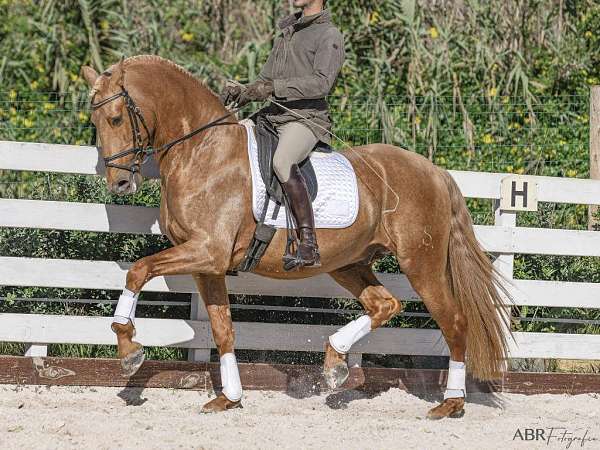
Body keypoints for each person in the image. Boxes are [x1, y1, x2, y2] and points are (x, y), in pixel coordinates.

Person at [220, 0, 344, 270]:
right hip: (272, 116)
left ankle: (309, 243)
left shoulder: (329, 34)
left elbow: (322, 83)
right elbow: (266, 79)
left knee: (282, 161)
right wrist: (244, 91)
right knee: (232, 138)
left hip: (305, 120)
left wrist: (274, 88)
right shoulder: (288, 32)